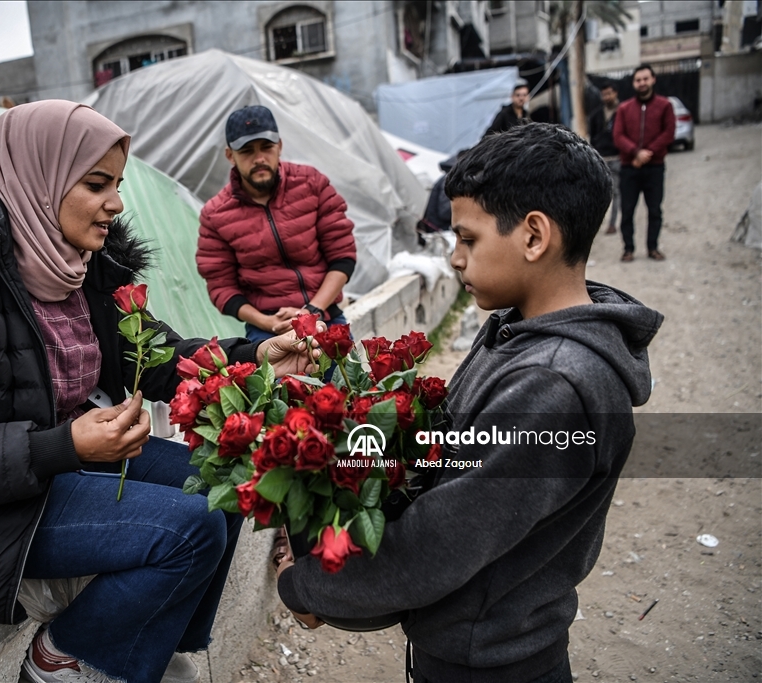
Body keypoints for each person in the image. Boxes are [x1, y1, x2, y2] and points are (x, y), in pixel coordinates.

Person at [0, 101, 319, 683]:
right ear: (38, 179)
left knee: (221, 484)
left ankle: (147, 653)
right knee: (190, 526)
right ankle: (62, 660)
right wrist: (64, 446)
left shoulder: (79, 268)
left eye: (118, 183)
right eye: (97, 184)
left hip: (54, 468)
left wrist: (253, 354)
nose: (117, 203)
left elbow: (153, 357)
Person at [274, 123, 663, 683]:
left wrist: (308, 585)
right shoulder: (515, 328)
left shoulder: (553, 387)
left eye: (468, 239)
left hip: (493, 662)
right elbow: (457, 452)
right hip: (472, 640)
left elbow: (439, 542)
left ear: (534, 236)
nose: (454, 259)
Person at [196, 105, 356, 343]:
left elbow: (342, 256)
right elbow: (221, 286)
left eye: (267, 148)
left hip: (325, 315)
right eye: (247, 151)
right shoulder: (215, 214)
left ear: (279, 146)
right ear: (230, 156)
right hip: (267, 328)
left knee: (350, 380)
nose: (259, 158)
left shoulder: (311, 184)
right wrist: (266, 322)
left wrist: (311, 310)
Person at [612, 63, 675, 262]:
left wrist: (648, 153)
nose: (642, 83)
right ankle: (628, 248)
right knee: (627, 210)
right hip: (630, 168)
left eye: (645, 79)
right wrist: (635, 152)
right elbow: (618, 135)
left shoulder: (665, 106)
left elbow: (668, 133)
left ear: (653, 79)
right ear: (633, 83)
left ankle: (652, 247)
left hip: (654, 167)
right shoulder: (624, 108)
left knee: (654, 209)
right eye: (638, 80)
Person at [588, 81, 622, 234]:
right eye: (604, 94)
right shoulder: (596, 115)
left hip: (618, 157)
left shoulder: (623, 112)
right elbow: (593, 136)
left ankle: (613, 223)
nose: (606, 97)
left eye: (609, 93)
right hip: (602, 158)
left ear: (615, 93)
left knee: (615, 192)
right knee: (600, 193)